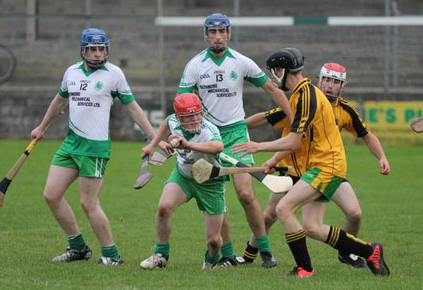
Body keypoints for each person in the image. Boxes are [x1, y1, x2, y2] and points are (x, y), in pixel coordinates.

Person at [232, 48, 389, 277]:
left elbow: (294, 141)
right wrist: (273, 158)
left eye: (276, 71)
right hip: (318, 167)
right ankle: (370, 251)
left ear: (284, 70)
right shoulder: (299, 95)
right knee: (312, 227)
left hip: (326, 167)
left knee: (283, 208)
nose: (275, 77)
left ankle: (305, 269)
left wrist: (258, 146)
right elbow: (280, 126)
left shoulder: (307, 96)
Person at [31, 28, 168, 265]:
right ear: (83, 50)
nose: (97, 54)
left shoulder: (114, 74)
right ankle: (78, 248)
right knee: (51, 195)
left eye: (101, 49)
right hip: (71, 143)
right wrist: (42, 127)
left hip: (95, 148)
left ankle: (111, 255)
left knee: (88, 202)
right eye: (92, 49)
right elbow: (59, 100)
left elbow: (133, 107)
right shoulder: (71, 72)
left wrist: (152, 137)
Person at [177, 12, 293, 268]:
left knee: (245, 194)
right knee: (217, 199)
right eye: (212, 32)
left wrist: (295, 120)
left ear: (229, 34)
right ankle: (228, 255)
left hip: (237, 134)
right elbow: (181, 104)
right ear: (206, 35)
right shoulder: (195, 66)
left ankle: (264, 251)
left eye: (222, 32)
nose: (217, 37)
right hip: (208, 137)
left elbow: (274, 90)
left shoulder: (241, 62)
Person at [139, 93, 226, 270]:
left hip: (211, 182)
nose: (195, 119)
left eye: (197, 114)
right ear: (179, 118)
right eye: (189, 116)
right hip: (184, 176)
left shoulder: (209, 130)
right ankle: (161, 254)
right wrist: (153, 144)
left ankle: (211, 259)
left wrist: (188, 145)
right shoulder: (174, 121)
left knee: (214, 241)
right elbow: (166, 123)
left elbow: (218, 146)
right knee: (164, 207)